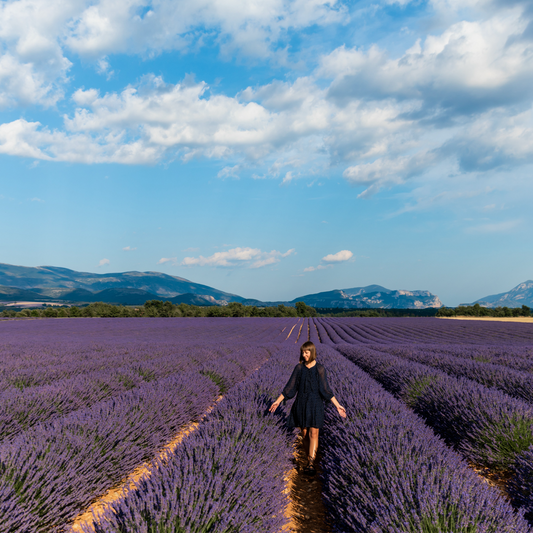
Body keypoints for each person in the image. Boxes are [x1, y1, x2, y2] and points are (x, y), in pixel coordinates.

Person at [269, 341, 346, 474]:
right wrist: (277, 401)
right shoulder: (299, 368)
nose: (304, 355)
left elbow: (326, 390)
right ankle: (308, 458)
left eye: (306, 352)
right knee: (304, 434)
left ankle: (311, 464)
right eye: (303, 352)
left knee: (314, 433)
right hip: (301, 404)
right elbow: (289, 388)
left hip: (316, 404)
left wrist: (338, 405)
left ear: (312, 352)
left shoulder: (320, 369)